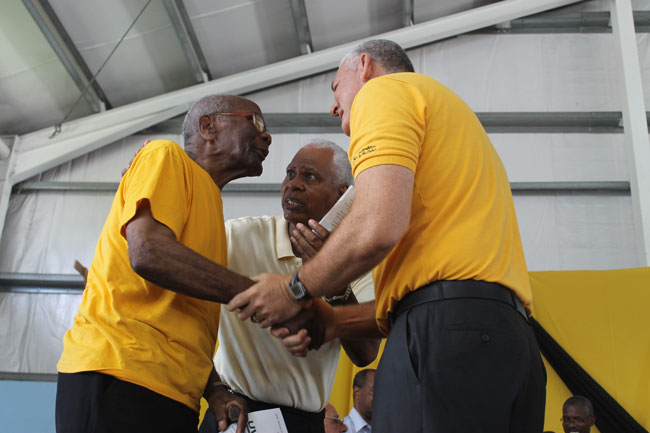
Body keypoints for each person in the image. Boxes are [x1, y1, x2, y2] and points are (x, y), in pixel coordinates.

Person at [228, 39, 546, 433]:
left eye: (335, 87)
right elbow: (433, 289)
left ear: (364, 67)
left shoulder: (383, 92)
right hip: (509, 339)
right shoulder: (452, 124)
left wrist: (293, 288)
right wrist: (334, 320)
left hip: (447, 338)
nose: (334, 107)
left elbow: (378, 226)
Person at [55, 95, 272, 433]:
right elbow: (148, 252)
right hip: (121, 372)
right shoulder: (165, 155)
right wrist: (255, 293)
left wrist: (214, 388)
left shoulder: (210, 201)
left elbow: (181, 318)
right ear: (208, 127)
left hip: (174, 393)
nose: (267, 136)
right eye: (254, 121)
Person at [199, 140, 379, 433]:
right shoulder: (238, 236)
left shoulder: (357, 260)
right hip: (235, 413)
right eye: (290, 173)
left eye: (310, 177)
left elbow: (366, 353)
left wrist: (332, 279)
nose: (292, 185)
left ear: (341, 194)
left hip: (303, 422)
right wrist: (214, 389)